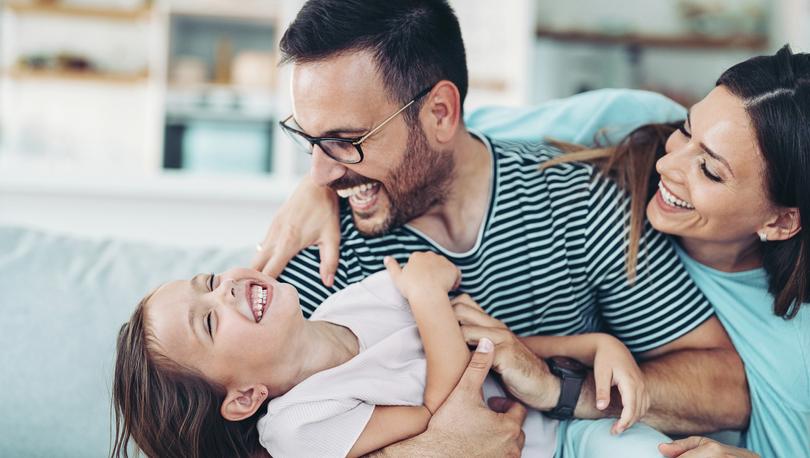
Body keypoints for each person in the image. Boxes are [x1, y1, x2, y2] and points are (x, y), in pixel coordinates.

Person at [250, 0, 747, 455]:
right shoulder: (325, 247)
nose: (318, 174)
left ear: (440, 114)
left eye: (345, 140)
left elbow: (726, 390)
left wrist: (556, 389)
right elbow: (242, 427)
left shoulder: (577, 201)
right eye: (308, 137)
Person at [112, 252, 658, 457]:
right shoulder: (298, 428)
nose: (224, 289)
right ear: (245, 398)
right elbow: (442, 412)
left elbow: (489, 345)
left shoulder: (353, 299)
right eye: (208, 321)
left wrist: (594, 344)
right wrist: (424, 296)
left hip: (563, 430)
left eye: (207, 280)